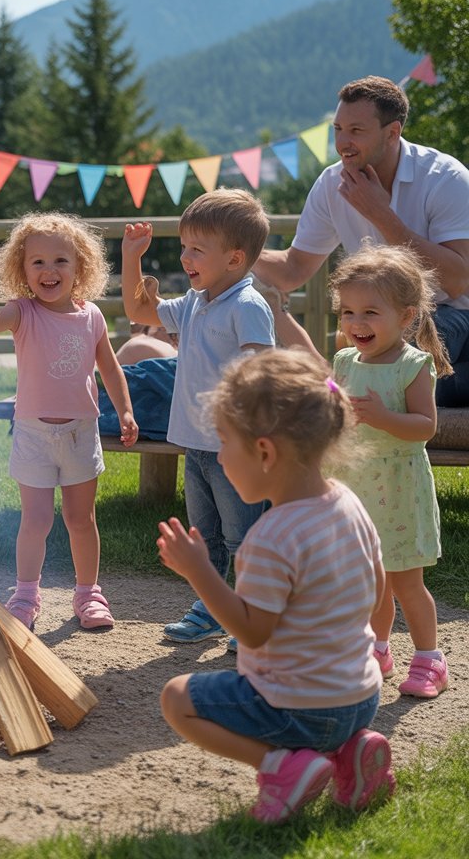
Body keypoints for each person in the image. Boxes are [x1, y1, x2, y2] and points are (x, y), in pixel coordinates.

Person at [158, 350, 393, 824]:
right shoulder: (347, 502)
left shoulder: (270, 537)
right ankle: (350, 754)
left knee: (177, 699)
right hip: (361, 696)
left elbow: (253, 632)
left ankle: (283, 768)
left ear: (264, 452)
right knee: (329, 718)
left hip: (298, 708)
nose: (219, 457)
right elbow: (378, 584)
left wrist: (200, 572)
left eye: (223, 442)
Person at [272, 244, 450, 699]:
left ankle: (430, 660)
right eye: (347, 312)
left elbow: (425, 428)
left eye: (371, 312)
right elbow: (332, 395)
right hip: (355, 490)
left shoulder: (413, 365)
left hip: (399, 487)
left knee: (407, 584)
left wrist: (382, 416)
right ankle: (378, 650)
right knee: (371, 583)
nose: (356, 324)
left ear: (407, 315)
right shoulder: (347, 360)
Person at [0, 212, 138, 631]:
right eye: (37, 262)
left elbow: (109, 369)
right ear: (22, 270)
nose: (49, 270)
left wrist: (125, 410)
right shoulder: (22, 312)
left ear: (81, 268)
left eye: (60, 261)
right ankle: (26, 593)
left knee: (81, 520)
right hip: (34, 434)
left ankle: (88, 593)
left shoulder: (92, 316)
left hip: (79, 433)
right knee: (36, 521)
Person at [253, 75, 469, 405]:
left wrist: (382, 215)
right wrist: (231, 250)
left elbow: (456, 282)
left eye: (356, 131)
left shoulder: (446, 178)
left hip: (451, 313)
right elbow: (292, 270)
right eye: (338, 130)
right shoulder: (330, 184)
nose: (343, 143)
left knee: (392, 356)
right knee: (381, 365)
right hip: (385, 321)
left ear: (392, 132)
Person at [122, 189, 274, 647]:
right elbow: (138, 311)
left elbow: (259, 372)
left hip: (235, 452)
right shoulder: (194, 301)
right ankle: (212, 609)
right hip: (195, 443)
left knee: (243, 540)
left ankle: (252, 619)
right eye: (184, 245)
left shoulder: (247, 307)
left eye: (196, 249)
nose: (185, 256)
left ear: (235, 258)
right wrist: (131, 258)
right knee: (204, 539)